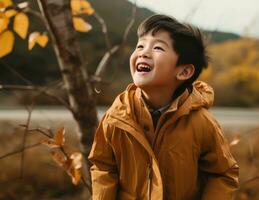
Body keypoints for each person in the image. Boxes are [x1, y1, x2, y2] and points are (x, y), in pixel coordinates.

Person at [88, 14, 239, 200]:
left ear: (184, 71)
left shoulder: (202, 124)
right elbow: (103, 167)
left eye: (158, 47)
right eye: (140, 45)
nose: (143, 52)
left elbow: (223, 174)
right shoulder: (117, 117)